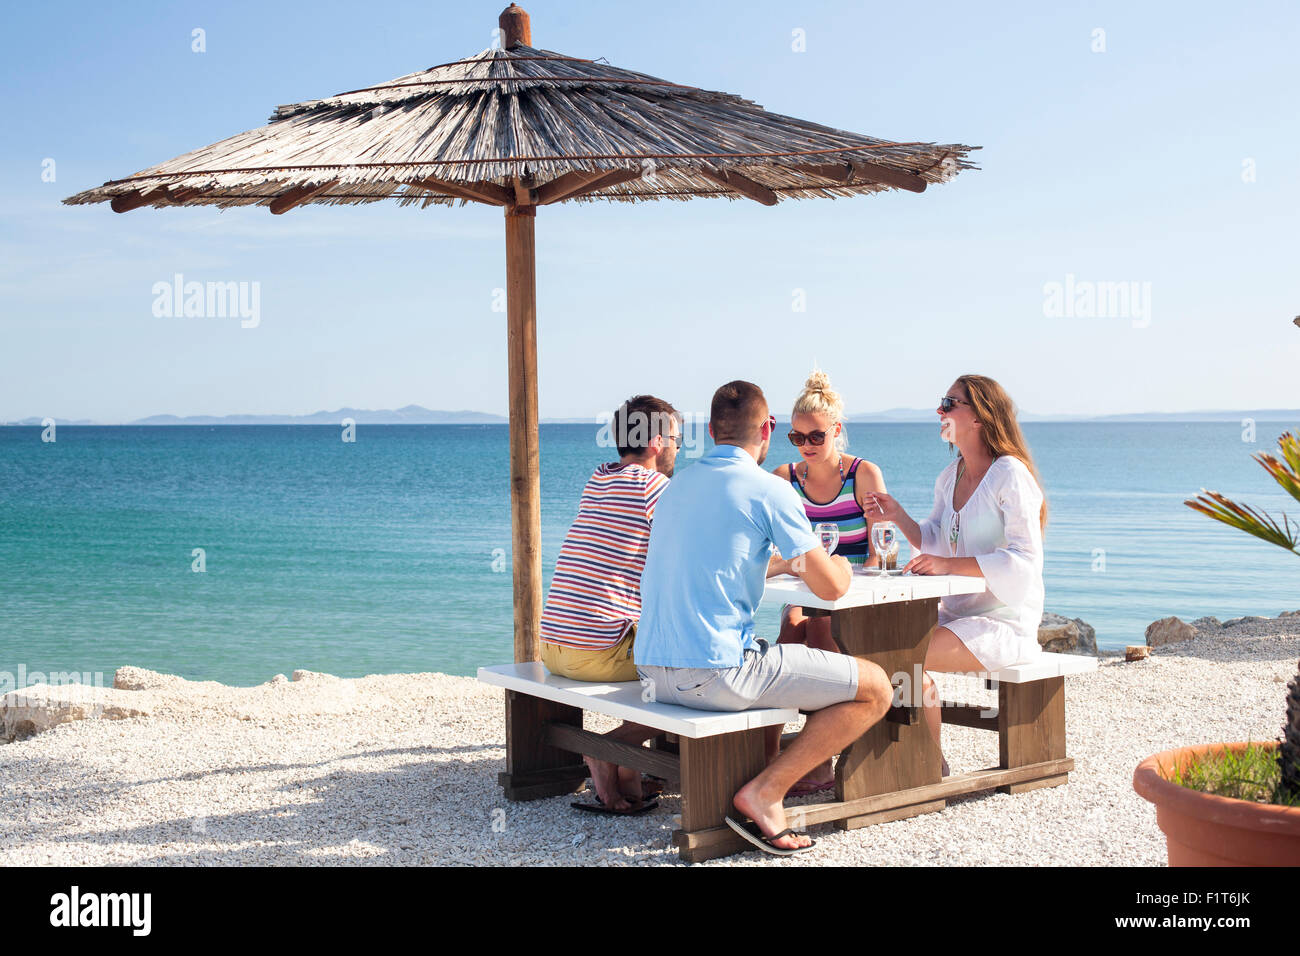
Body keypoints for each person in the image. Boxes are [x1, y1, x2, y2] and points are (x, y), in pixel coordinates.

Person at [635, 381, 893, 855]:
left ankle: (768, 773)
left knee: (781, 651)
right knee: (877, 686)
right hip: (714, 675)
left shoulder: (676, 487)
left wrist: (777, 563)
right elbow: (832, 587)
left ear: (711, 431)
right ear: (769, 429)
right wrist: (835, 563)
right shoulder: (769, 489)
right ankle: (766, 791)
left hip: (652, 668)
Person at [864, 374, 1046, 774]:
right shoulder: (950, 476)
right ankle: (905, 758)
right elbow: (934, 539)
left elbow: (1024, 563)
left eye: (949, 403)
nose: (939, 411)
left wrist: (948, 566)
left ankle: (930, 766)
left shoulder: (1010, 474)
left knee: (903, 659)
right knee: (879, 645)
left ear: (979, 416)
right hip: (955, 616)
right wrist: (898, 516)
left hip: (1003, 622)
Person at [539, 394, 682, 813]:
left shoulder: (599, 478)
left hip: (554, 648)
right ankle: (616, 750)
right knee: (696, 671)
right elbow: (687, 561)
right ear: (656, 441)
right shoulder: (657, 489)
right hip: (599, 652)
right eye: (675, 437)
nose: (678, 447)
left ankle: (631, 774)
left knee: (653, 637)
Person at [769, 369, 887, 795]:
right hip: (807, 583)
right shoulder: (786, 478)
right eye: (797, 438)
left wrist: (845, 582)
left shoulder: (863, 475)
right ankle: (774, 754)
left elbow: (881, 551)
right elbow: (775, 550)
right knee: (792, 628)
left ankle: (813, 760)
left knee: (813, 628)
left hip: (855, 586)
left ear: (836, 430)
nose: (806, 446)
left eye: (816, 436)